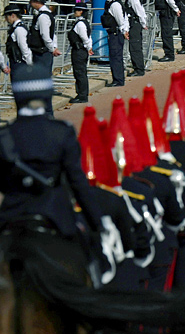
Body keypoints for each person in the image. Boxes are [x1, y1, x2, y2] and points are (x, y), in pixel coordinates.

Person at [0, 64, 107, 243]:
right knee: (93, 260)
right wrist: (98, 224)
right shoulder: (62, 132)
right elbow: (77, 182)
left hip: (12, 216)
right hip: (57, 215)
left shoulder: (5, 135)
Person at [101, 0, 128, 86]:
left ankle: (118, 80)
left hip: (116, 34)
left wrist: (124, 31)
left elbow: (120, 20)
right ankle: (117, 78)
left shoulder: (115, 4)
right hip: (116, 33)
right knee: (115, 56)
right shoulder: (115, 2)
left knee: (116, 57)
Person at [25, 0, 57, 72]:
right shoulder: (45, 15)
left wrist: (52, 49)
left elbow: (45, 35)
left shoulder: (43, 16)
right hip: (42, 52)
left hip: (42, 53)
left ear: (36, 1)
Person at [125, 0, 150, 72]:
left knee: (135, 46)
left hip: (134, 22)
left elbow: (138, 9)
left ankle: (139, 69)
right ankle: (138, 67)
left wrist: (143, 22)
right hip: (135, 22)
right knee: (134, 46)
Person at [67, 0, 91, 104]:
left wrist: (88, 47)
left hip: (79, 50)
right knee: (80, 73)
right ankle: (81, 94)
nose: (75, 11)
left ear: (81, 11)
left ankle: (82, 95)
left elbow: (85, 38)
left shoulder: (80, 24)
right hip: (81, 50)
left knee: (80, 73)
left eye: (76, 10)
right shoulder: (83, 22)